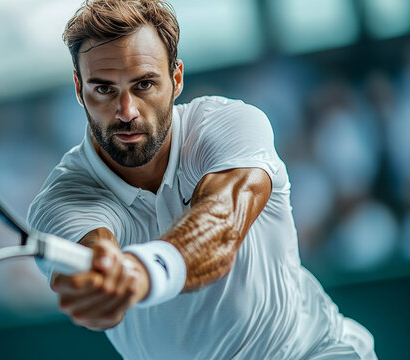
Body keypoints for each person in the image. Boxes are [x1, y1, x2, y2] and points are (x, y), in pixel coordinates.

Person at [27, 0, 376, 358]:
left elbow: (222, 222)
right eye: (103, 89)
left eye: (144, 84)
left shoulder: (231, 124)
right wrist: (102, 285)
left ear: (176, 79)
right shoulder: (60, 198)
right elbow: (95, 261)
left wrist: (141, 272)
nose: (126, 112)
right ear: (78, 88)